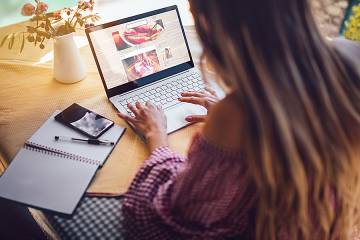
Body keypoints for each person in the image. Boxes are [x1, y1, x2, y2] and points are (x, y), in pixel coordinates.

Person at [117, 0, 360, 239]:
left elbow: (177, 217)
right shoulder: (350, 59)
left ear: (221, 28)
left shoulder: (238, 112)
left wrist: (155, 133)